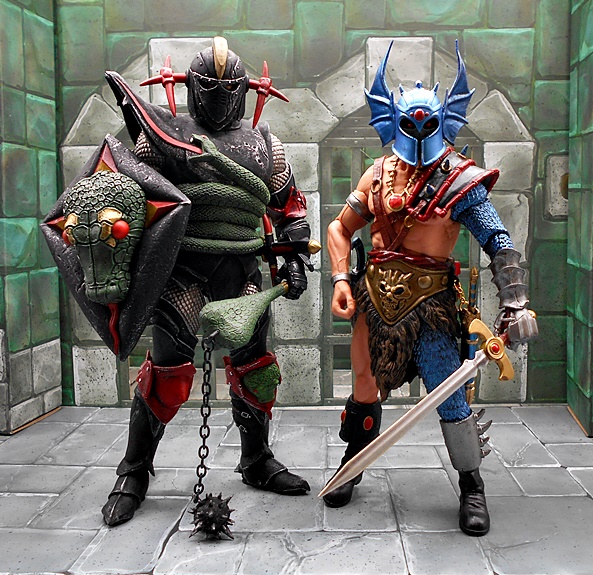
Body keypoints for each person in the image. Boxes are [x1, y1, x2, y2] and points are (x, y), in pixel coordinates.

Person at [325, 42, 537, 536]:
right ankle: (354, 459)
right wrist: (340, 278)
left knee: (448, 393)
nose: (419, 132)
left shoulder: (459, 180)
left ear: (444, 120)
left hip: (431, 306)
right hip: (374, 298)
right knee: (362, 384)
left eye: (427, 123)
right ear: (392, 121)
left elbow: (498, 241)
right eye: (410, 123)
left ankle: (471, 484)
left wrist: (516, 301)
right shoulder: (379, 174)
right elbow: (339, 227)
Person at [99, 37, 312, 526]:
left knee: (255, 367)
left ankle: (256, 459)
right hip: (183, 270)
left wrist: (293, 257)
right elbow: (135, 195)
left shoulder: (266, 145)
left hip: (243, 271)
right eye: (209, 86)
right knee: (167, 373)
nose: (218, 96)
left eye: (227, 88)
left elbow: (289, 207)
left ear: (244, 90)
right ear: (192, 87)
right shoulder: (163, 135)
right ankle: (134, 470)